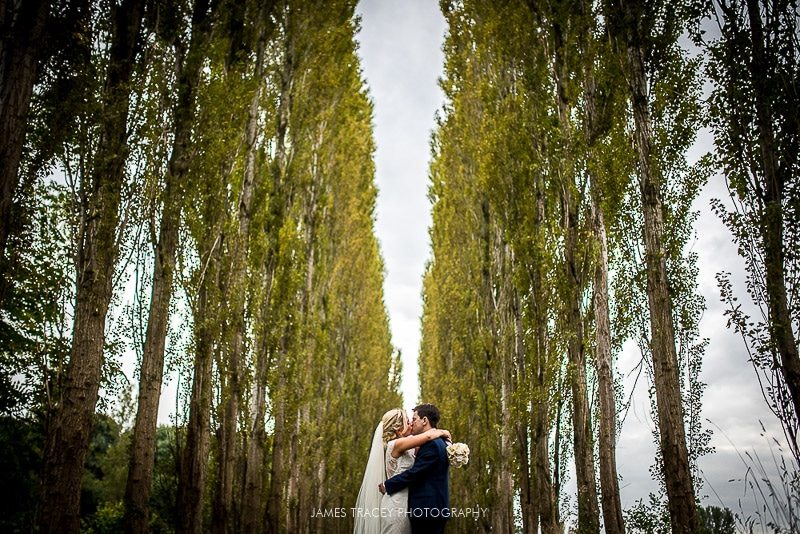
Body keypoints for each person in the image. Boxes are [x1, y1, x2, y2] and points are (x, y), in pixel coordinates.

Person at [353, 408, 451, 534]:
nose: (411, 423)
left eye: (412, 420)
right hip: (397, 502)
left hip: (408, 502)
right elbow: (428, 435)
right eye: (408, 421)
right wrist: (443, 432)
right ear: (398, 429)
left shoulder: (408, 445)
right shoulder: (397, 444)